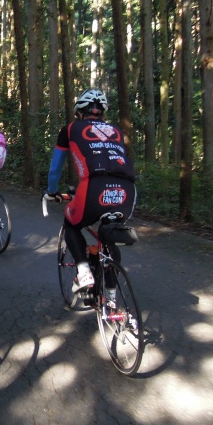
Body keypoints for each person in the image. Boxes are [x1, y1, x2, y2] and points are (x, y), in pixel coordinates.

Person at [46, 88, 136, 300]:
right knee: (109, 235)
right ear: (102, 112)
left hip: (94, 187)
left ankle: (84, 272)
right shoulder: (116, 131)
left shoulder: (70, 129)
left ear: (79, 111)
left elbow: (55, 169)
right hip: (127, 191)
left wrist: (52, 192)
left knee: (71, 223)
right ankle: (112, 297)